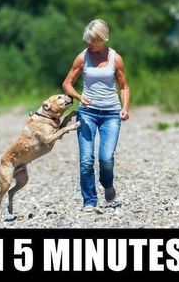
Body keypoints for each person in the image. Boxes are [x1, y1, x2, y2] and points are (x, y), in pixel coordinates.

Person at [62, 19, 130, 212]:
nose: (90, 44)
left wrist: (125, 107)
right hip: (87, 114)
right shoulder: (82, 57)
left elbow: (124, 86)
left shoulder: (115, 58)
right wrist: (77, 96)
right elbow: (67, 83)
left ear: (103, 38)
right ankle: (89, 201)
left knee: (106, 158)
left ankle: (107, 184)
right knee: (86, 160)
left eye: (94, 40)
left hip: (111, 114)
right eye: (88, 40)